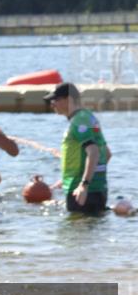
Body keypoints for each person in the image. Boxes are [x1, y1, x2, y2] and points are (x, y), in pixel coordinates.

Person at [45, 82, 110, 215]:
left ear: (68, 99)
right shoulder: (88, 117)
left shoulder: (79, 122)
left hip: (82, 193)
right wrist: (68, 179)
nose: (52, 104)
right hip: (97, 190)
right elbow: (107, 153)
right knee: (91, 226)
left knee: (77, 227)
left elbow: (94, 152)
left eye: (56, 100)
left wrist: (83, 184)